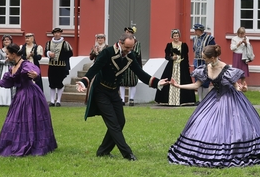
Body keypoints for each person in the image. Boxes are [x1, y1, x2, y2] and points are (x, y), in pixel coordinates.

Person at [168, 44, 260, 167]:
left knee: (230, 126)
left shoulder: (227, 69)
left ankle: (235, 151)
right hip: (213, 99)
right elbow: (196, 86)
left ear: (212, 58)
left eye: (205, 58)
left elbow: (237, 87)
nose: (203, 60)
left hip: (230, 100)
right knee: (204, 124)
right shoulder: (206, 68)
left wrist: (242, 88)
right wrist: (178, 86)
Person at [76, 32, 169, 160]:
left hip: (114, 92)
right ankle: (127, 153)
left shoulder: (130, 56)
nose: (129, 51)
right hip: (100, 91)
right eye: (127, 48)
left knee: (121, 121)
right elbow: (95, 68)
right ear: (120, 43)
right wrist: (83, 82)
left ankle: (103, 151)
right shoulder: (108, 52)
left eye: (131, 48)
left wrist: (157, 82)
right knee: (113, 123)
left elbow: (140, 73)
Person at [0, 43, 58, 156]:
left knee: (32, 119)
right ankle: (13, 143)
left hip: (31, 95)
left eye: (8, 54)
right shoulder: (12, 68)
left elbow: (34, 70)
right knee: (13, 122)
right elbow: (6, 82)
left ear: (14, 54)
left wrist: (36, 75)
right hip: (20, 96)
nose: (6, 56)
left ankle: (32, 143)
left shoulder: (25, 64)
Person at [156, 29, 194, 106]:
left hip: (181, 66)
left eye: (177, 36)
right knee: (168, 80)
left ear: (179, 36)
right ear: (172, 37)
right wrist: (171, 58)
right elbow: (166, 56)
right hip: (172, 66)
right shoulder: (169, 45)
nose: (176, 37)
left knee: (184, 81)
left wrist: (186, 66)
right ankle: (169, 100)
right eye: (174, 36)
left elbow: (186, 57)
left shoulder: (184, 45)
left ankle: (183, 100)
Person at [45, 27, 73, 107]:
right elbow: (45, 51)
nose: (57, 34)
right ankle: (52, 100)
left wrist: (60, 56)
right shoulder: (49, 43)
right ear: (53, 34)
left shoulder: (65, 43)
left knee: (59, 83)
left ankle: (58, 100)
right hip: (52, 65)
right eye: (55, 33)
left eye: (58, 33)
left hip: (61, 65)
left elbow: (70, 53)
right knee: (52, 83)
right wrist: (49, 54)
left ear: (60, 34)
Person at [192, 23, 216, 102]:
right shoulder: (194, 38)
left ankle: (205, 99)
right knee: (198, 79)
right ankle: (199, 99)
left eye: (196, 30)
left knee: (205, 80)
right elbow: (194, 49)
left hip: (206, 62)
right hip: (197, 61)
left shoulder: (209, 38)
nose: (195, 32)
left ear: (200, 30)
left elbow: (213, 49)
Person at [119, 26, 141, 106]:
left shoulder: (137, 42)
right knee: (122, 82)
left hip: (133, 64)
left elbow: (136, 53)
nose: (127, 33)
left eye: (128, 32)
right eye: (126, 32)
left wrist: (129, 54)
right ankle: (122, 99)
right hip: (123, 64)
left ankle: (131, 99)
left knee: (133, 82)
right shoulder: (121, 42)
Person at [0, 35, 15, 107]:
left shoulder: (13, 51)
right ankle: (0, 100)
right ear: (2, 42)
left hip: (11, 68)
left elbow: (16, 59)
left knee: (11, 83)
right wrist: (4, 61)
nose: (6, 41)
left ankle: (10, 101)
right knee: (1, 83)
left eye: (8, 40)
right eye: (5, 40)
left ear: (11, 41)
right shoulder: (0, 50)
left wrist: (11, 59)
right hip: (2, 69)